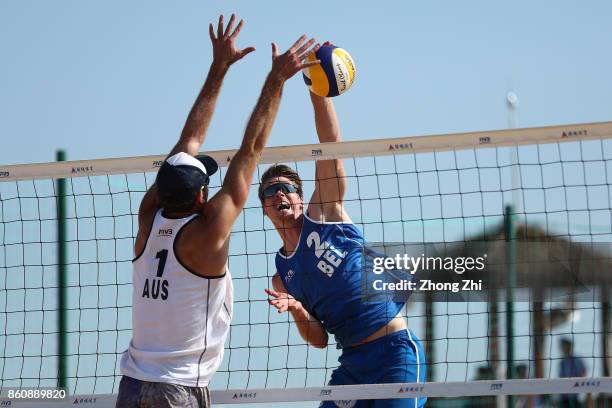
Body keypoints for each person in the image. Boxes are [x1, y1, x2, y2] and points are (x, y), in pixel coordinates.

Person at [116, 14, 320, 408]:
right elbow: (251, 149)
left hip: (133, 383)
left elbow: (187, 142)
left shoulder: (147, 218)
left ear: (161, 189)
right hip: (177, 391)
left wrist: (218, 67)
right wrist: (276, 80)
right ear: (200, 197)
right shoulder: (207, 234)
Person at [262, 64, 427, 408]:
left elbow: (330, 143)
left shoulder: (324, 213)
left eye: (286, 188)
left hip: (393, 351)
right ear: (263, 207)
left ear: (300, 195)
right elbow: (319, 339)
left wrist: (315, 85)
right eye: (270, 192)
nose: (279, 195)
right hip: (352, 364)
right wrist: (295, 308)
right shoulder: (282, 278)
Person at [558, 338, 587, 408]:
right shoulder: (562, 362)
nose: (561, 348)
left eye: (563, 346)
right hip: (564, 397)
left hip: (576, 396)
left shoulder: (577, 360)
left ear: (569, 346)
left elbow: (584, 373)